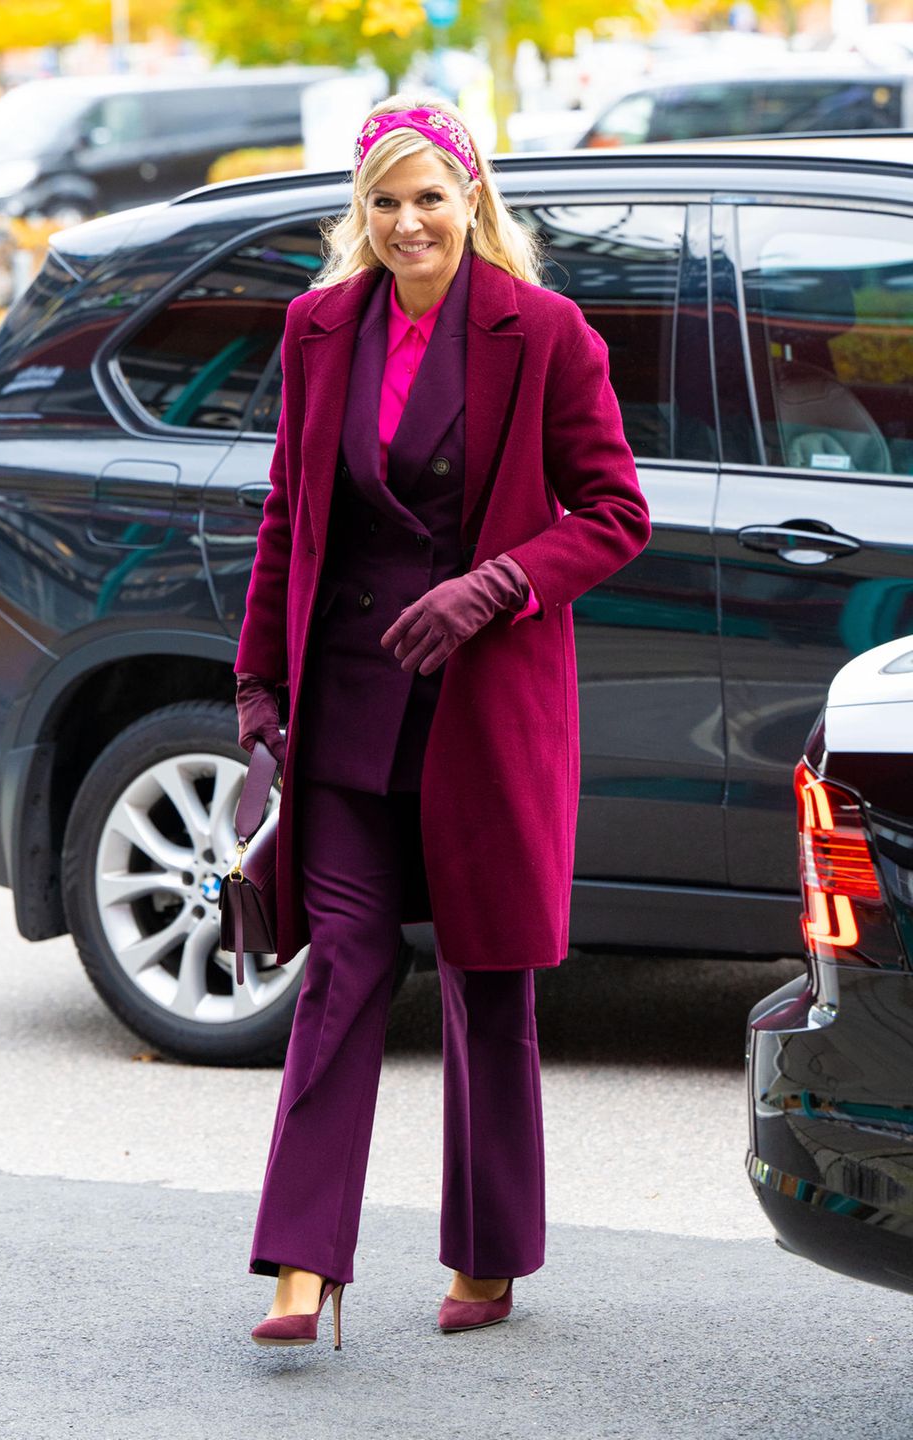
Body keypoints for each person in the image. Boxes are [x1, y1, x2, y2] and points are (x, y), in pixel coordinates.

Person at [234, 94, 651, 1351]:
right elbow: (286, 519)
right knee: (344, 974)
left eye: (430, 196)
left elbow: (615, 510)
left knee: (487, 984)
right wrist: (259, 685)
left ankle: (487, 1254)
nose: (409, 222)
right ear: (358, 217)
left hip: (483, 712)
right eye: (385, 201)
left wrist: (497, 584)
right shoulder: (317, 329)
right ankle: (304, 1265)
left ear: (473, 197)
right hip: (348, 711)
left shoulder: (551, 334)